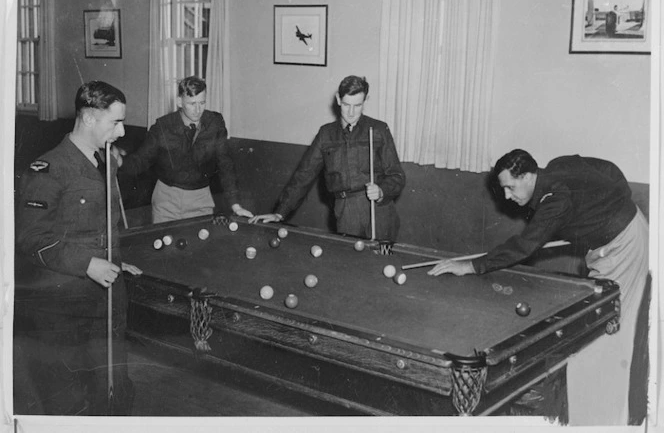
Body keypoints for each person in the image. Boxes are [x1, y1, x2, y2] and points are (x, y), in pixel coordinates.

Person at [428, 149, 648, 426]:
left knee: (605, 334)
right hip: (611, 242)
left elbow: (525, 246)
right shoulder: (557, 165)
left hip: (624, 245)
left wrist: (472, 266)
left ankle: (604, 422)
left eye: (510, 187)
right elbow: (608, 168)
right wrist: (616, 200)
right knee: (596, 332)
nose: (507, 196)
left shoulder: (555, 201)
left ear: (528, 176)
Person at [15, 80, 142, 415]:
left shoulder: (105, 163)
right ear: (88, 119)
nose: (123, 131)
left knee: (114, 389)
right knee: (68, 399)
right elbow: (31, 238)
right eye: (115, 122)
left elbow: (103, 224)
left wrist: (115, 260)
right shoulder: (48, 169)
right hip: (63, 305)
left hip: (108, 299)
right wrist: (89, 263)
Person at [250, 75, 405, 241]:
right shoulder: (326, 134)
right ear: (338, 99)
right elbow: (304, 175)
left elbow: (397, 176)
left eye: (357, 105)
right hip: (346, 212)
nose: (351, 112)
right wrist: (280, 213)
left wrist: (381, 191)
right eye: (346, 105)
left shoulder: (379, 129)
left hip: (380, 211)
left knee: (384, 262)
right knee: (349, 264)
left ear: (365, 101)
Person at [118, 76, 252, 223]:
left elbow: (225, 164)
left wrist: (236, 205)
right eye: (192, 103)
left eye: (202, 103)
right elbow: (141, 160)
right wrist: (120, 161)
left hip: (201, 199)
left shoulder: (215, 123)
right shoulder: (163, 126)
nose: (198, 110)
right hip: (166, 200)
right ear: (179, 102)